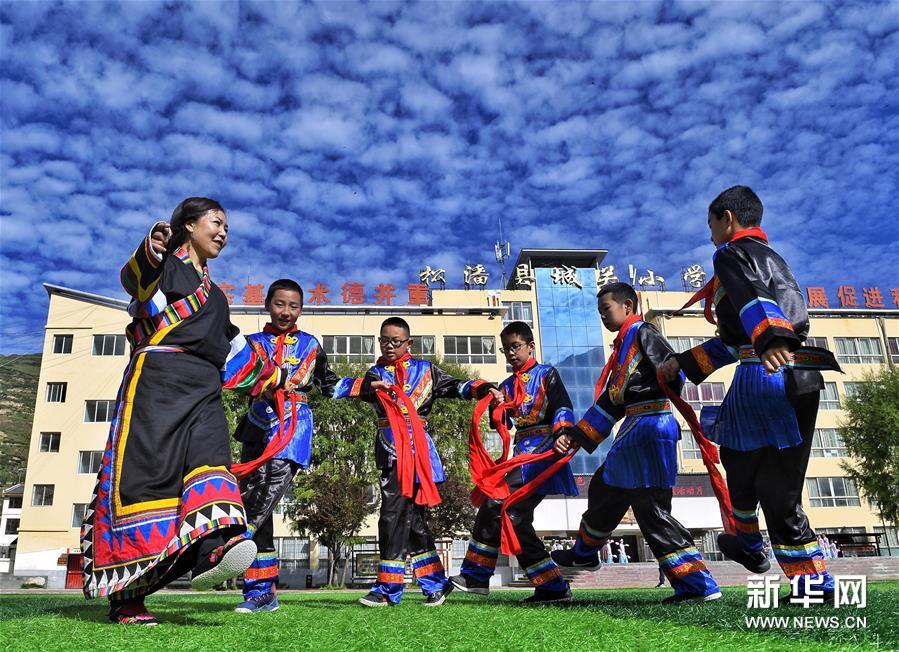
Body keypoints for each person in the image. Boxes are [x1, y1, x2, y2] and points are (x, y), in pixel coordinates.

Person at [80, 198, 285, 624]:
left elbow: (232, 349)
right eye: (217, 223)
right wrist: (154, 246)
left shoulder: (218, 298)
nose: (224, 232)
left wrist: (274, 380)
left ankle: (217, 547)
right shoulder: (164, 268)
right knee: (149, 481)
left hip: (204, 388)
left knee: (213, 459)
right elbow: (134, 280)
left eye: (227, 226)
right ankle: (128, 597)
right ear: (188, 226)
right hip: (157, 383)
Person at [660, 185, 841, 602]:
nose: (709, 236)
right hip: (780, 372)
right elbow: (733, 340)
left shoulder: (731, 255)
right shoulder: (772, 258)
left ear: (727, 218)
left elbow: (759, 309)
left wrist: (773, 337)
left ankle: (811, 583)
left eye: (710, 226)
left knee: (776, 490)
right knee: (742, 465)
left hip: (771, 373)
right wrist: (682, 364)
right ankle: (749, 544)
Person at [552, 282, 721, 604]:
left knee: (650, 508)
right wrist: (578, 434)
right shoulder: (624, 346)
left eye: (607, 309)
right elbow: (614, 401)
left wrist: (673, 370)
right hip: (637, 425)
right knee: (606, 489)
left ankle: (698, 584)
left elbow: (671, 371)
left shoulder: (643, 332)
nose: (603, 316)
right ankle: (585, 552)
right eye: (600, 311)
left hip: (649, 426)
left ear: (627, 306)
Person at [338, 317, 500, 607]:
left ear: (408, 343)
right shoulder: (374, 373)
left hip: (418, 450)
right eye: (384, 340)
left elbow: (458, 388)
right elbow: (341, 388)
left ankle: (387, 588)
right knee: (411, 521)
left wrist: (485, 387)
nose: (389, 346)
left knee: (392, 515)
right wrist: (362, 388)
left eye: (395, 341)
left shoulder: (426, 371)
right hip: (389, 448)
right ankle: (435, 584)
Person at [230, 279, 346, 614]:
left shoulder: (311, 345)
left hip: (293, 425)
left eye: (293, 306)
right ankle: (261, 593)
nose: (286, 311)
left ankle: (225, 547)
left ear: (301, 309)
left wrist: (369, 387)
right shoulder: (251, 344)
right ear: (267, 304)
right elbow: (236, 379)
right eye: (280, 304)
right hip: (257, 425)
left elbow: (330, 384)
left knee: (265, 495)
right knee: (256, 507)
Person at [450, 321, 577, 604]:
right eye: (506, 349)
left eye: (516, 346)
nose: (511, 353)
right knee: (513, 519)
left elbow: (564, 407)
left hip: (544, 453)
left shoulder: (547, 374)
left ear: (530, 346)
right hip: (521, 455)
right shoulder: (507, 385)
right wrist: (497, 405)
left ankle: (476, 575)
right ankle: (552, 587)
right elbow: (505, 424)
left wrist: (562, 433)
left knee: (496, 501)